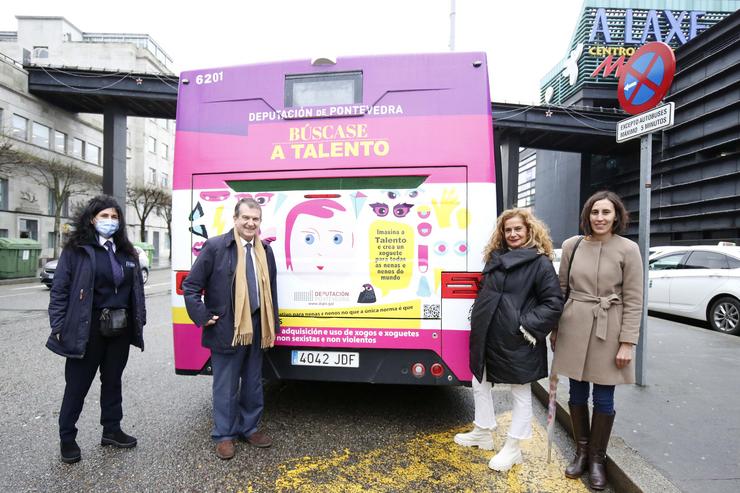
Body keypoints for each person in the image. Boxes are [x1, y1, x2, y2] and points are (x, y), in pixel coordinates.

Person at [455, 208, 563, 471]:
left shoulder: (540, 263)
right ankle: (483, 431)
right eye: (508, 230)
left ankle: (513, 447)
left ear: (529, 231)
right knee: (478, 380)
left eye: (518, 229)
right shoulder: (495, 258)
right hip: (488, 333)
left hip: (518, 337)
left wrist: (526, 326)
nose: (513, 234)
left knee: (521, 391)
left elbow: (554, 302)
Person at [550, 190, 643, 491]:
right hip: (574, 323)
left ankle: (597, 459)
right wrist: (555, 329)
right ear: (587, 215)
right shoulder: (571, 246)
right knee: (576, 393)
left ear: (617, 216)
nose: (600, 218)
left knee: (604, 397)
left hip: (610, 328)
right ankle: (581, 452)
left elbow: (634, 299)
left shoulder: (628, 249)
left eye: (606, 212)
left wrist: (628, 342)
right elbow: (560, 290)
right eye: (595, 212)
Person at [46, 195, 146, 464]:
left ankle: (111, 430)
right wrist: (57, 324)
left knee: (113, 381)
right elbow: (60, 290)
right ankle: (67, 438)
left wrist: (140, 320)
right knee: (77, 385)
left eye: (114, 217)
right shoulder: (77, 250)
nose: (110, 221)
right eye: (104, 216)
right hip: (86, 327)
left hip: (120, 328)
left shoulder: (127, 252)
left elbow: (136, 290)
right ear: (92, 219)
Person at [182, 197, 279, 460]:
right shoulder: (215, 247)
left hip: (257, 325)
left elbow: (271, 291)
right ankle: (224, 435)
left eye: (255, 219)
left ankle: (250, 428)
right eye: (245, 218)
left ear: (260, 223)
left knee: (252, 382)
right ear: (235, 219)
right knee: (225, 385)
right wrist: (203, 317)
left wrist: (274, 323)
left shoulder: (265, 251)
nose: (250, 223)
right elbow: (190, 287)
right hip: (227, 327)